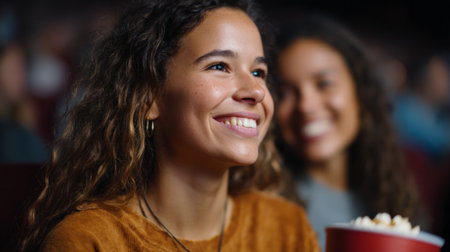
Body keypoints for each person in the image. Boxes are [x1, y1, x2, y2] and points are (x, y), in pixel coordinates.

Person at [18, 1, 319, 251]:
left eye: (258, 71)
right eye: (219, 66)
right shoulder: (89, 240)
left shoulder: (286, 227)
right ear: (149, 98)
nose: (255, 91)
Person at [274, 15, 418, 249]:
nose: (305, 105)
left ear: (360, 93)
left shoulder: (392, 194)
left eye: (324, 84)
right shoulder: (266, 210)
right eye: (284, 93)